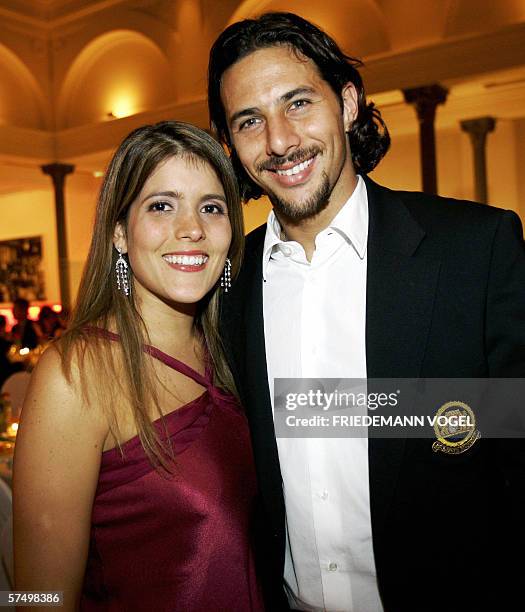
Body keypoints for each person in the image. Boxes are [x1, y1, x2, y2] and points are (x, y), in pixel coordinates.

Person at [208, 12, 525, 612]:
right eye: (250, 120)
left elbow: (513, 429)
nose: (279, 141)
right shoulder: (227, 287)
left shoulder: (474, 250)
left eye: (298, 103)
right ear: (231, 143)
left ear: (348, 103)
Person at [13, 121, 264, 611]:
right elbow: (37, 597)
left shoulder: (238, 349)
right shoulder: (76, 375)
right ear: (119, 233)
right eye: (161, 205)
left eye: (211, 208)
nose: (191, 228)